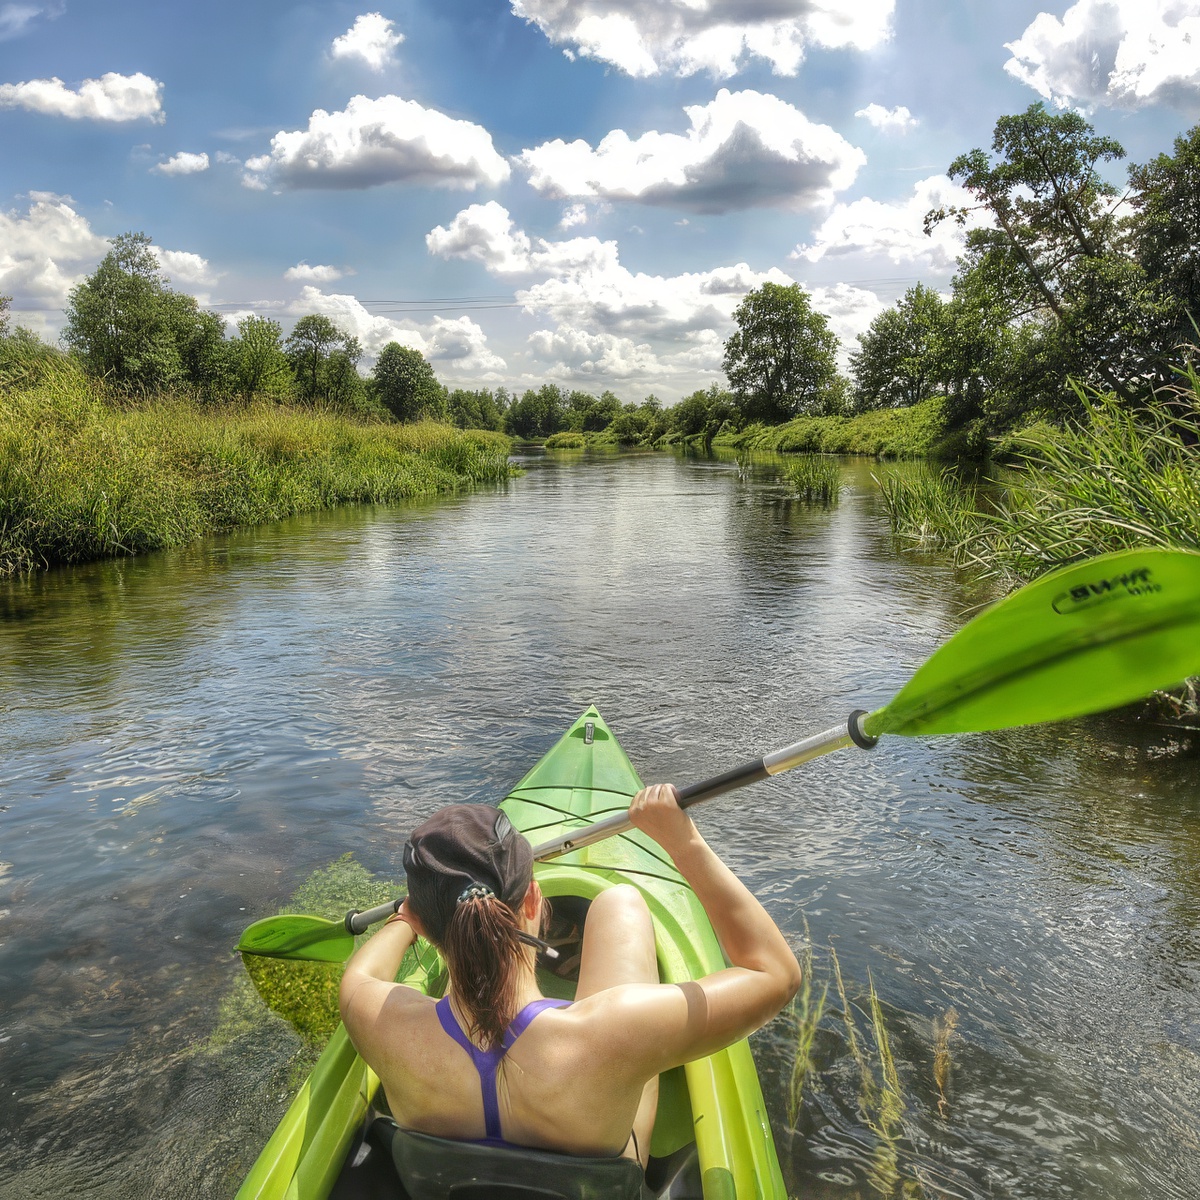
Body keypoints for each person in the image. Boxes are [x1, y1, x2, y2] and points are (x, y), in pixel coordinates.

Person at [338, 783, 801, 1166]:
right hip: (600, 1153)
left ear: (421, 924)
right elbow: (775, 973)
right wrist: (684, 843)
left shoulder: (373, 1015)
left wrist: (401, 920)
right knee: (621, 903)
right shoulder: (619, 1029)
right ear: (535, 902)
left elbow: (365, 971)